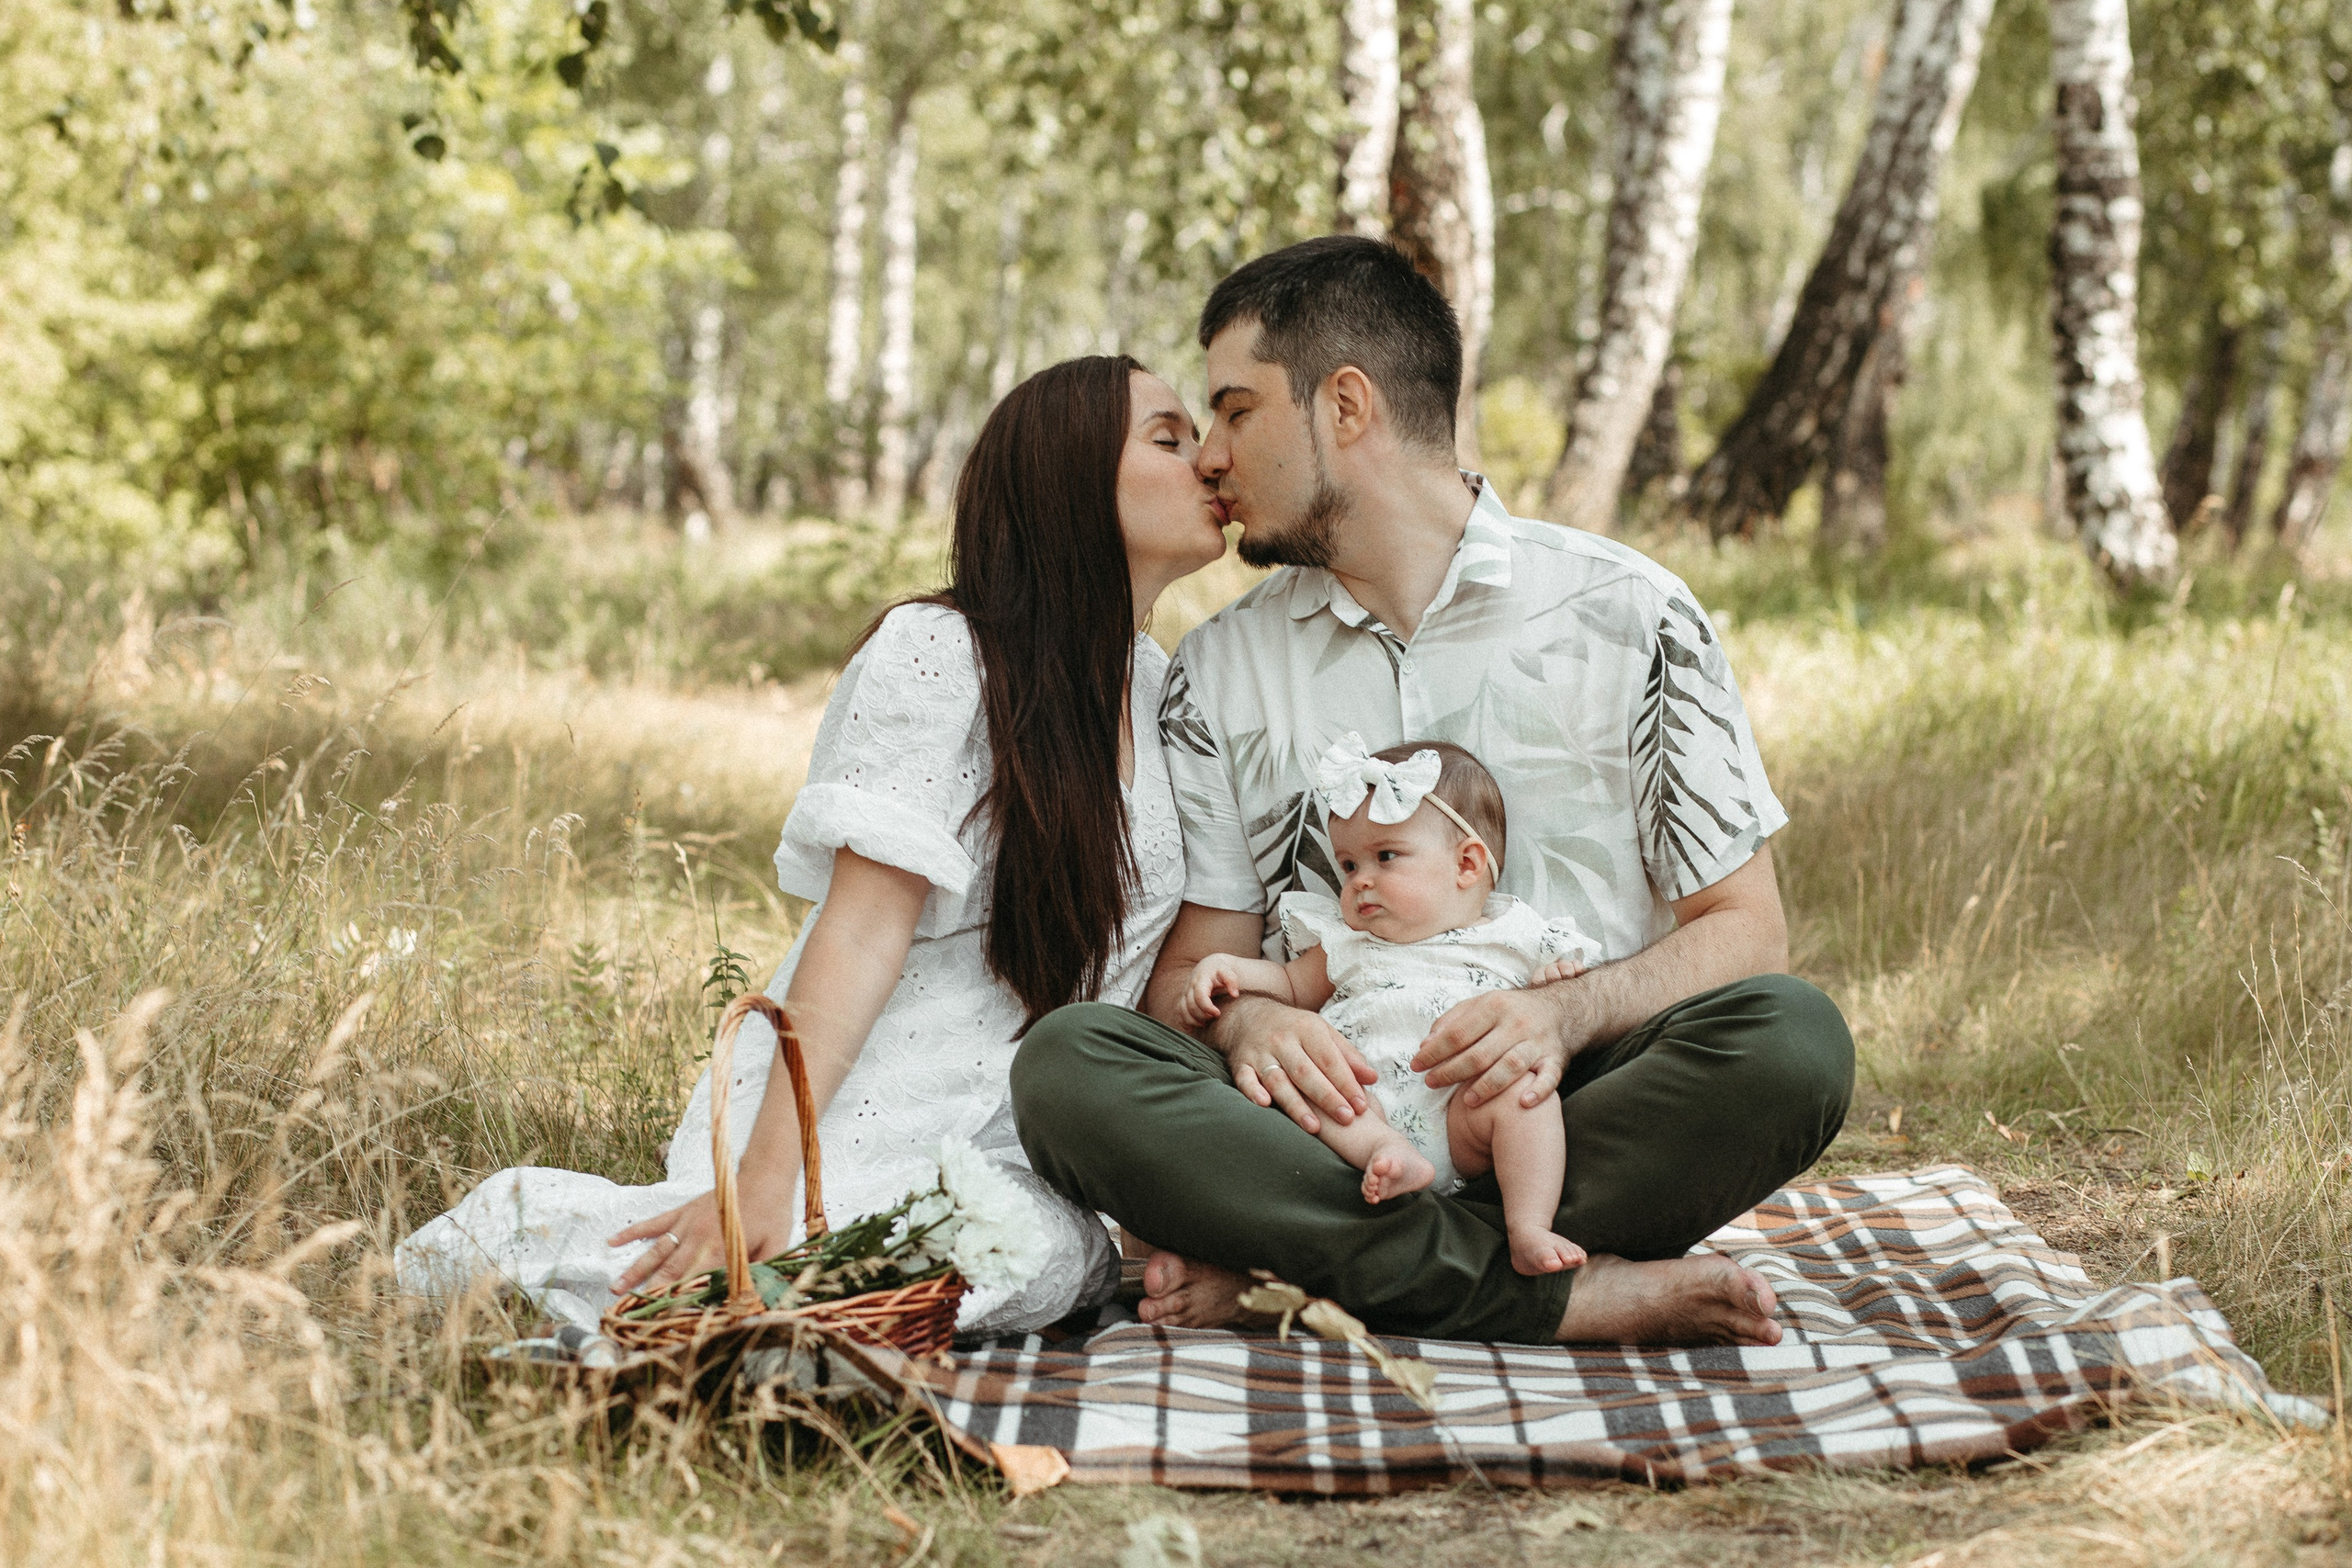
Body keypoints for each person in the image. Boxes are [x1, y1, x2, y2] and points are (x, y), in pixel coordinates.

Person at [1012, 236, 1855, 1348]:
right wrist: (1258, 1018)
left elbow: (1746, 931)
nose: (1211, 456)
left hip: (1566, 1114)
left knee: (1791, 1043)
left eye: (1235, 410)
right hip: (1334, 1130)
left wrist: (1559, 1015)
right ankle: (1554, 1297)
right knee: (1072, 1067)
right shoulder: (1219, 668)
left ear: (1345, 406)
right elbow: (1193, 968)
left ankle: (1318, 1276)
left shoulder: (1632, 612)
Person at [396, 355, 1230, 1336]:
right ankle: (540, 1240)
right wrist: (758, 1182)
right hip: (846, 1108)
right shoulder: (940, 654)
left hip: (1014, 1148)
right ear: (1068, 476)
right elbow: (860, 931)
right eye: (1169, 439)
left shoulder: (1158, 684)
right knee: (871, 1251)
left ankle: (764, 1309)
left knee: (1043, 1258)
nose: (1210, 463)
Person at [1179, 735, 1598, 1275]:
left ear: (1466, 865)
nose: (1359, 881)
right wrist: (1230, 970)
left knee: (1526, 1097)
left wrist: (1553, 980)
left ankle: (1529, 1226)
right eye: (1349, 865)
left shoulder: (1514, 933)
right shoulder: (1348, 942)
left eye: (1385, 856)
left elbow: (1553, 1001)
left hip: (1463, 1112)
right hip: (1361, 1105)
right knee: (1312, 1093)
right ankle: (1388, 1154)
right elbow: (1288, 983)